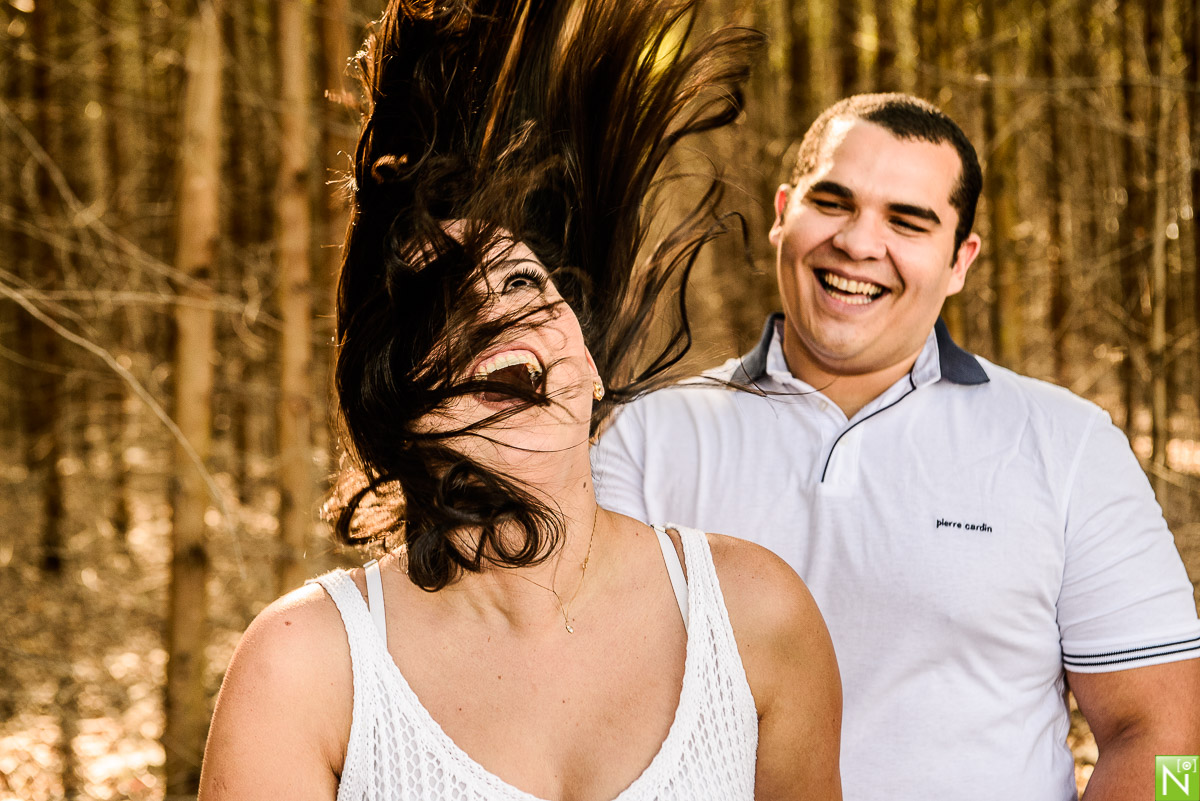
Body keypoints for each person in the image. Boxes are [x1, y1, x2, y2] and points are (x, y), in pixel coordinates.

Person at [198, 2, 842, 800]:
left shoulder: (758, 617)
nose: (498, 311)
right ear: (399, 393)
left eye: (523, 281)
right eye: (446, 305)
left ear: (590, 364)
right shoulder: (303, 666)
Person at [592, 92, 1200, 800]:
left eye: (908, 221)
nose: (858, 242)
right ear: (783, 212)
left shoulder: (1068, 444)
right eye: (834, 202)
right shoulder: (648, 434)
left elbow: (1174, 740)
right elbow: (582, 702)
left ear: (959, 261)